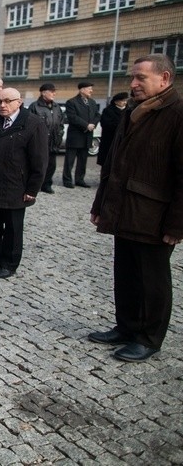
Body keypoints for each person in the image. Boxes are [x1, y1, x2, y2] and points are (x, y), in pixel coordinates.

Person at [88, 54, 183, 363]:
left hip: (154, 216)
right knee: (126, 273)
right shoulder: (134, 110)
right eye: (133, 77)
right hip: (124, 209)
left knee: (152, 279)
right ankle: (127, 327)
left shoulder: (177, 113)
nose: (133, 83)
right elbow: (113, 163)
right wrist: (101, 203)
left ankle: (149, 338)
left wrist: (177, 224)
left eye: (141, 77)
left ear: (165, 79)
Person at [0, 88, 48, 279]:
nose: (2, 105)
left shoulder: (32, 124)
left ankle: (9, 263)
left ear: (19, 102)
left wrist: (32, 189)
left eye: (7, 101)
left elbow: (39, 160)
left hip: (16, 185)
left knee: (13, 228)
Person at [27, 83, 64, 193]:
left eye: (54, 91)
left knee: (51, 165)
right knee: (37, 164)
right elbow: (29, 124)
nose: (54, 93)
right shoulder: (35, 106)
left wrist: (60, 134)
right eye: (51, 91)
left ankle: (47, 184)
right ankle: (35, 184)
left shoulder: (57, 107)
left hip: (53, 142)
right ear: (43, 92)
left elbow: (61, 122)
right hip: (39, 141)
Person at [63, 82, 100, 188]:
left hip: (87, 136)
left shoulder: (92, 102)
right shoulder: (72, 102)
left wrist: (93, 124)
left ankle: (80, 179)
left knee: (83, 160)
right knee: (69, 160)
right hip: (75, 136)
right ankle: (67, 180)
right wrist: (86, 125)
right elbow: (72, 117)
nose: (91, 91)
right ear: (81, 90)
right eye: (89, 89)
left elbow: (97, 115)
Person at [96, 92, 128, 166]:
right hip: (110, 140)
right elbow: (105, 124)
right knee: (108, 162)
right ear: (116, 101)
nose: (124, 103)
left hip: (123, 140)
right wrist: (119, 126)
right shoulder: (108, 110)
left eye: (125, 101)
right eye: (122, 101)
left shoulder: (128, 111)